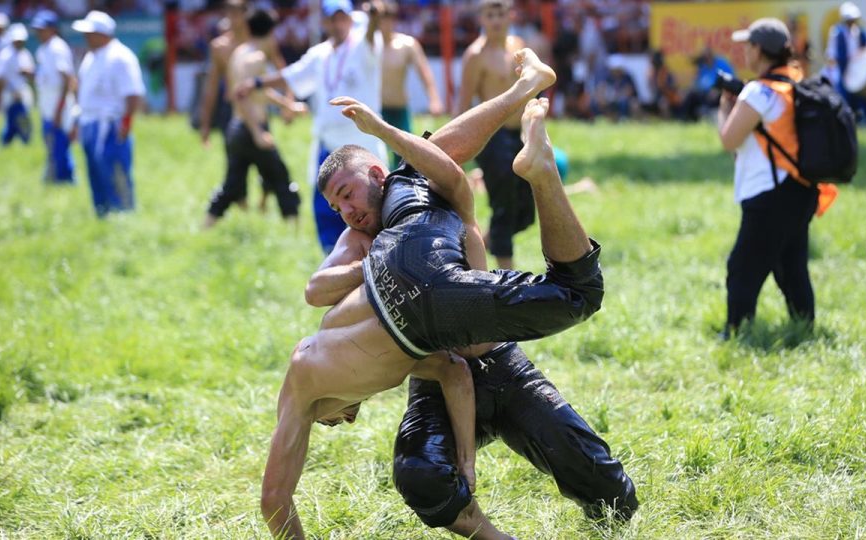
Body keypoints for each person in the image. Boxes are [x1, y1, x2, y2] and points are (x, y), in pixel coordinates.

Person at [260, 49, 629, 538]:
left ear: (374, 175)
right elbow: (317, 289)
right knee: (421, 472)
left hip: (488, 349)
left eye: (348, 194)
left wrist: (388, 136)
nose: (346, 210)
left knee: (614, 500)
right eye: (336, 205)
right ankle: (525, 98)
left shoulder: (401, 196)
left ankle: (536, 152)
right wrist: (374, 267)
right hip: (437, 332)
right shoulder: (366, 239)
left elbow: (453, 179)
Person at [236, 0, 388, 254]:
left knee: (371, 202)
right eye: (333, 19)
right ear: (325, 22)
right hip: (328, 143)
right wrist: (258, 83)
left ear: (350, 19)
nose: (339, 24)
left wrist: (374, 17)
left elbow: (373, 31)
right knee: (327, 204)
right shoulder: (320, 54)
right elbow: (292, 75)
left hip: (362, 144)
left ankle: (379, 255)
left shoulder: (364, 45)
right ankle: (334, 257)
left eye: (343, 18)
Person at [717, 18, 818, 337]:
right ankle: (804, 325)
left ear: (758, 49)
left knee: (741, 268)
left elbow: (729, 140)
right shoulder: (796, 82)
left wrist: (724, 107)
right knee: (791, 265)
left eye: (748, 45)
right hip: (801, 189)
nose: (745, 51)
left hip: (769, 194)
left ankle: (735, 332)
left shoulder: (758, 92)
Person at [204, 9, 303, 229]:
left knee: (232, 186)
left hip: (236, 128)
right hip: (251, 129)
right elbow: (243, 97)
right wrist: (258, 131)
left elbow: (257, 92)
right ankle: (294, 231)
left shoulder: (239, 53)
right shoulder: (256, 58)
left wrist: (288, 105)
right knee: (281, 179)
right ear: (272, 33)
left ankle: (205, 226)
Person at [457, 0, 531, 270]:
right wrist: (457, 154)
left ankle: (483, 244)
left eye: (501, 13)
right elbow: (463, 105)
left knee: (526, 211)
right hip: (493, 138)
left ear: (510, 15)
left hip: (520, 135)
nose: (497, 19)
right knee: (504, 208)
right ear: (482, 18)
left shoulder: (517, 45)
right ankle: (507, 279)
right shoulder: (475, 55)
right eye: (490, 14)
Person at [72, 10, 145, 217]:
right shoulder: (92, 57)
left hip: (111, 123)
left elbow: (133, 94)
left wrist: (126, 123)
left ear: (102, 33)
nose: (86, 36)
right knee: (96, 172)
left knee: (115, 171)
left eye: (90, 32)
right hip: (90, 122)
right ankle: (102, 212)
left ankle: (123, 212)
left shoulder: (120, 57)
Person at [379, 0, 442, 166]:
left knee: (404, 158)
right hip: (376, 110)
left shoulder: (406, 45)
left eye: (385, 17)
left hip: (398, 109)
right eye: (378, 17)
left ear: (393, 19)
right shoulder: (367, 47)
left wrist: (434, 99)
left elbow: (424, 73)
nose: (382, 22)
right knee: (376, 157)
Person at [31, 9, 76, 183]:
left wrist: (59, 109)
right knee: (52, 146)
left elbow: (68, 80)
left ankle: (65, 181)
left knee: (59, 147)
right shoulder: (44, 49)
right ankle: (57, 180)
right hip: (48, 107)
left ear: (53, 29)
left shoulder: (57, 47)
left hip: (58, 108)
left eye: (42, 29)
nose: (39, 33)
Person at [825, 1, 866, 123]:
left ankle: (864, 120)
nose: (851, 23)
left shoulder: (861, 33)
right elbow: (831, 54)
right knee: (843, 97)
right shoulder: (837, 33)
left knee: (861, 96)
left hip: (859, 72)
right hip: (843, 71)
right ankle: (846, 121)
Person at [0, 23, 34, 147]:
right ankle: (10, 142)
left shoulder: (25, 54)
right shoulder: (6, 55)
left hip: (22, 92)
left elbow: (31, 73)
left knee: (18, 120)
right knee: (15, 120)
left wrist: (27, 72)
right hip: (10, 93)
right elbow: (1, 78)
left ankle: (12, 143)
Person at [677, 46, 734, 122]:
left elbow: (730, 80)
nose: (706, 59)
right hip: (704, 94)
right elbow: (696, 82)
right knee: (690, 96)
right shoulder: (702, 66)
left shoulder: (722, 64)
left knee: (714, 98)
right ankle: (683, 119)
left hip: (718, 93)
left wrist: (718, 90)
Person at [591, 53, 639, 121]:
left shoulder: (627, 77)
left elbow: (629, 91)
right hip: (608, 100)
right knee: (595, 103)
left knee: (627, 103)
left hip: (622, 100)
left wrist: (617, 96)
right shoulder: (605, 76)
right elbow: (600, 89)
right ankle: (601, 119)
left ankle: (624, 119)